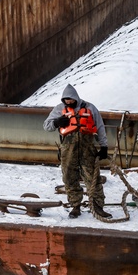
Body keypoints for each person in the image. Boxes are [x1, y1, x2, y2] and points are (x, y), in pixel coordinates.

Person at [43, 83, 111, 219]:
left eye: (71, 99)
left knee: (93, 179)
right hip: (68, 151)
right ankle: (75, 206)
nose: (68, 102)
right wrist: (57, 122)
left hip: (88, 150)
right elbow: (46, 126)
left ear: (76, 98)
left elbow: (100, 127)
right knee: (69, 178)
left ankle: (98, 206)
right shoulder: (59, 109)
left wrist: (104, 146)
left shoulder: (90, 108)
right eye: (66, 100)